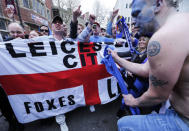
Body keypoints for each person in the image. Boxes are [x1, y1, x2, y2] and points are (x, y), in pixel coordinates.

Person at [108, 0, 189, 130]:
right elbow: (147, 69)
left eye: (137, 13)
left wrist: (133, 101)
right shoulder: (182, 21)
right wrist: (117, 59)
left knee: (123, 124)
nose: (134, 22)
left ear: (158, 4)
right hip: (179, 111)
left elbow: (157, 95)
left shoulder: (164, 37)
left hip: (184, 120)